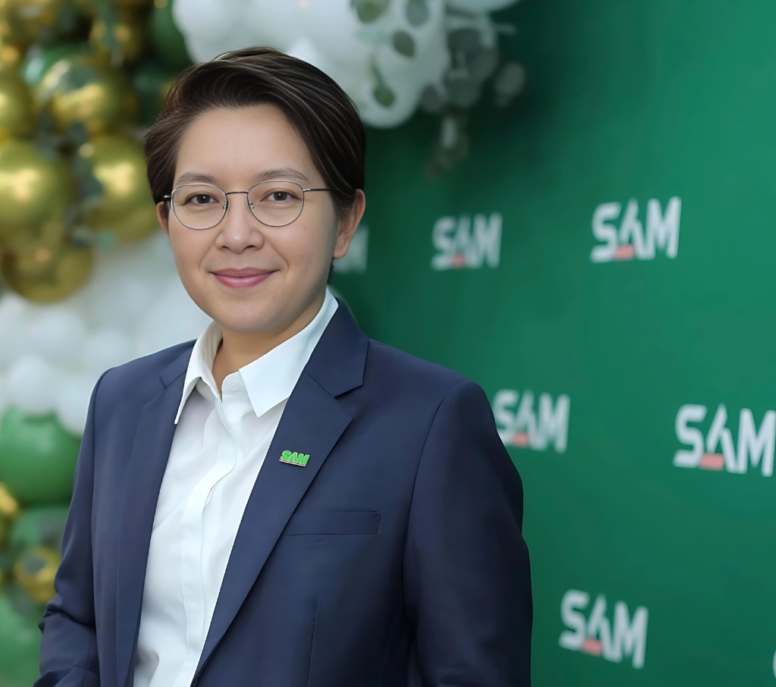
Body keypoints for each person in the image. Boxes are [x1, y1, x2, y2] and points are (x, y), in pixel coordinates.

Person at [36, 46, 531, 687]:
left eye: (278, 195)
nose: (237, 234)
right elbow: (78, 614)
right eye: (202, 199)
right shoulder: (123, 400)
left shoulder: (430, 424)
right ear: (167, 221)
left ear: (346, 221)